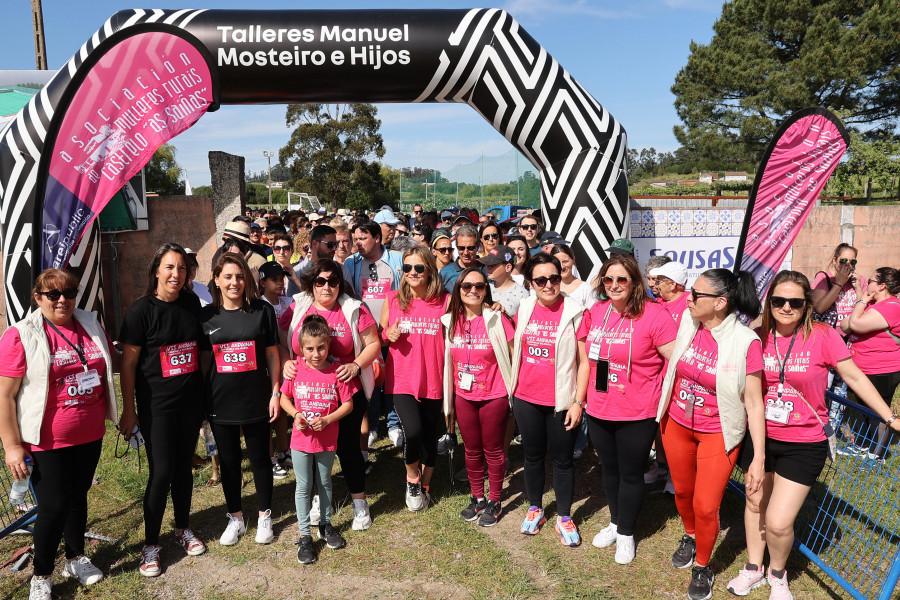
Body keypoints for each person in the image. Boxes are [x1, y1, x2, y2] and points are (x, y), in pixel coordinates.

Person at [725, 270, 900, 599]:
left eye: (795, 301)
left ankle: (777, 574)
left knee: (778, 521)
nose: (786, 307)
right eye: (779, 300)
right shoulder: (754, 334)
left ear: (807, 305)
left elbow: (856, 378)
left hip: (804, 442)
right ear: (769, 303)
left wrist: (889, 417)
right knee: (754, 503)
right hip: (760, 436)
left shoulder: (823, 335)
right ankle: (753, 568)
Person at [0, 270, 119, 600]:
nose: (62, 299)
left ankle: (75, 557)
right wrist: (11, 445)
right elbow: (5, 395)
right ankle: (41, 574)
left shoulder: (90, 323)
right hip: (46, 439)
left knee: (77, 495)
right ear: (37, 298)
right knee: (53, 505)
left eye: (69, 292)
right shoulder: (20, 334)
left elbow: (110, 361)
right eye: (53, 294)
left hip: (90, 432)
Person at [656, 268, 765, 600]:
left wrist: (758, 457)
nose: (688, 298)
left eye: (696, 294)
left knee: (706, 506)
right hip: (675, 423)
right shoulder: (689, 322)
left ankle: (703, 566)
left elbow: (754, 404)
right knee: (683, 494)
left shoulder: (747, 341)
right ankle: (690, 536)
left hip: (718, 433)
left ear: (720, 303)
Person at [578, 254, 677, 564]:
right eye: (608, 280)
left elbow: (674, 359)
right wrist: (580, 400)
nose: (615, 285)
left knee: (631, 473)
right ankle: (615, 522)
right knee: (610, 469)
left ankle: (627, 534)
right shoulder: (597, 311)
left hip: (637, 409)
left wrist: (661, 393)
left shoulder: (654, 315)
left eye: (622, 279)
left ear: (634, 281)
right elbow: (587, 360)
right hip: (599, 406)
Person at [118, 243, 208, 577]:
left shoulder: (190, 302)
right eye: (169, 267)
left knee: (184, 469)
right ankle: (150, 545)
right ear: (156, 270)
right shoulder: (140, 311)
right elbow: (127, 365)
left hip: (189, 404)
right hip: (158, 407)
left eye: (182, 268)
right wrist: (130, 411)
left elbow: (198, 353)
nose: (176, 274)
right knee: (162, 473)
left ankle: (182, 528)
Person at [280, 259, 381, 530]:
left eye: (333, 281)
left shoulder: (353, 308)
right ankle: (316, 500)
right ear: (312, 283)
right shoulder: (297, 305)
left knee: (348, 447)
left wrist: (357, 364)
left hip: (346, 389)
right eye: (320, 281)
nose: (327, 287)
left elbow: (374, 343)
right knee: (311, 448)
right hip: (307, 391)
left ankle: (360, 503)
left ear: (340, 283)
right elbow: (281, 338)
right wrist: (285, 361)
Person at [200, 254, 281, 547]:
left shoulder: (262, 311)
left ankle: (264, 516)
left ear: (246, 279)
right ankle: (235, 517)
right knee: (231, 463)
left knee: (260, 460)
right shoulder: (207, 316)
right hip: (221, 401)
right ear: (217, 280)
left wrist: (275, 392)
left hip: (257, 399)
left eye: (240, 276)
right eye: (228, 277)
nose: (234, 282)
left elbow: (272, 354)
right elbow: (204, 362)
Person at [509, 253, 589, 545]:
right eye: (540, 279)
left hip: (562, 400)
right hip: (526, 397)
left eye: (554, 278)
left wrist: (578, 402)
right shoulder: (525, 306)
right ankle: (535, 508)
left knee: (563, 460)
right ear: (531, 283)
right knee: (531, 456)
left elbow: (584, 362)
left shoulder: (576, 311)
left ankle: (564, 516)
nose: (548, 284)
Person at [441, 268, 515, 527]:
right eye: (467, 286)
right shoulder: (450, 320)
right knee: (471, 450)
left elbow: (514, 353)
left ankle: (495, 500)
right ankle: (477, 497)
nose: (473, 291)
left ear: (486, 290)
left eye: (479, 286)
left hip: (493, 394)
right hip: (463, 394)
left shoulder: (496, 318)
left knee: (493, 450)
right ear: (459, 290)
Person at [280, 315, 355, 564]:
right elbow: (284, 399)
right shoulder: (295, 369)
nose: (316, 353)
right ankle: (304, 536)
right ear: (301, 349)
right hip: (301, 440)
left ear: (329, 346)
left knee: (324, 482)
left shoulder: (337, 373)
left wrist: (328, 419)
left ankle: (325, 525)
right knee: (303, 486)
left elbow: (348, 405)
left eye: (321, 347)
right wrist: (296, 414)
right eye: (310, 349)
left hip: (326, 440)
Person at [381, 246, 448, 511]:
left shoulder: (446, 300)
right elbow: (382, 333)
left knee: (431, 435)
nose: (412, 273)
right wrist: (389, 335)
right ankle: (412, 478)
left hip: (434, 377)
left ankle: (426, 486)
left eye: (419, 268)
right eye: (407, 268)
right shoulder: (393, 299)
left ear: (430, 269)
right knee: (414, 431)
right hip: (403, 378)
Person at [345, 221, 404, 448]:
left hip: (391, 333)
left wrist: (387, 327)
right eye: (356, 238)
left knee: (391, 379)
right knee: (370, 380)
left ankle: (393, 423)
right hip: (365, 335)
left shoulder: (397, 260)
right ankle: (372, 427)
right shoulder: (351, 263)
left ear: (377, 238)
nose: (357, 243)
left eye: (362, 238)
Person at [841, 267, 900, 460]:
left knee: (879, 409)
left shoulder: (892, 307)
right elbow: (845, 325)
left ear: (882, 285)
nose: (868, 285)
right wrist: (862, 303)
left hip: (882, 369)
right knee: (866, 409)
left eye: (872, 281)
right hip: (865, 369)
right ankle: (866, 445)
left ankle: (878, 454)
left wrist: (861, 301)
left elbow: (855, 324)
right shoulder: (875, 305)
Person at [812, 243, 863, 328]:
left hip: (852, 333)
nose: (847, 264)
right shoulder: (823, 278)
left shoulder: (860, 280)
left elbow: (864, 309)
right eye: (843, 260)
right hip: (831, 332)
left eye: (852, 261)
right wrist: (839, 283)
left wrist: (858, 288)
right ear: (835, 260)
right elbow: (820, 309)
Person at [480, 245, 530, 317]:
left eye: (493, 264)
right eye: (487, 264)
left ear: (508, 267)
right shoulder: (483, 286)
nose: (488, 267)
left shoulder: (522, 294)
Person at [553, 244, 596, 309]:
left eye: (565, 262)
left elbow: (593, 315)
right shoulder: (548, 287)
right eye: (557, 263)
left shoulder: (586, 289)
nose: (562, 267)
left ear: (573, 260)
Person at [440, 225, 480, 292]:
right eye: (461, 248)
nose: (466, 252)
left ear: (478, 247)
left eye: (470, 248)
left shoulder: (486, 270)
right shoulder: (444, 273)